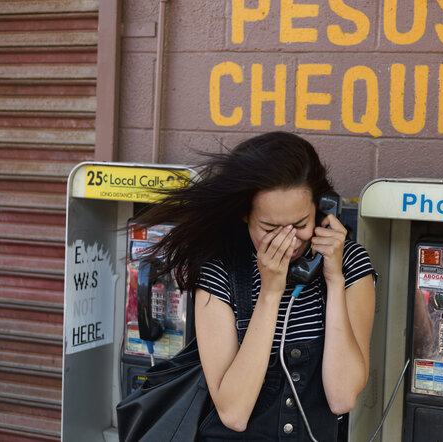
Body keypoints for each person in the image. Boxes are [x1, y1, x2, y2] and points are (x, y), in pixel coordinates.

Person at [136, 132, 376, 441]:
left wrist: (334, 280)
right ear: (245, 214)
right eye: (270, 228)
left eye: (301, 225)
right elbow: (233, 412)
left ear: (323, 210)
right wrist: (270, 292)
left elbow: (342, 397)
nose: (287, 241)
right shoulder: (221, 271)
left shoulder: (348, 263)